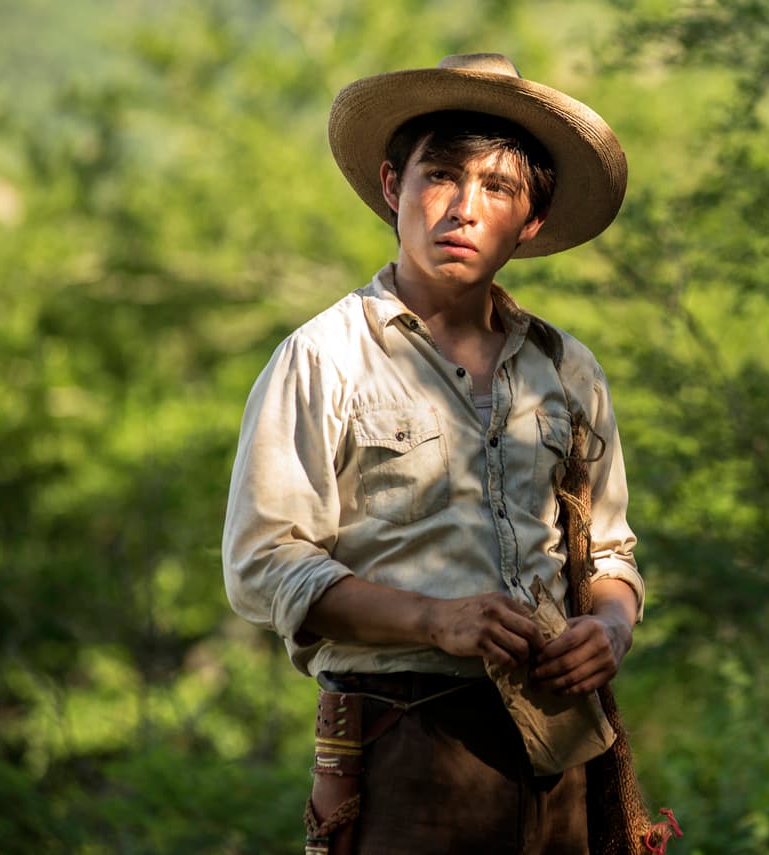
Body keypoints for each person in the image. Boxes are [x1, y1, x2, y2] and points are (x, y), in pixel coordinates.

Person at [222, 54, 658, 854]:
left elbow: (613, 554)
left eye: (497, 189)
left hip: (558, 747)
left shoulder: (566, 370)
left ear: (529, 223)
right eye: (441, 177)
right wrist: (436, 618)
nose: (462, 208)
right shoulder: (324, 358)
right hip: (400, 743)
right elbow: (262, 563)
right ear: (394, 186)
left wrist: (608, 628)